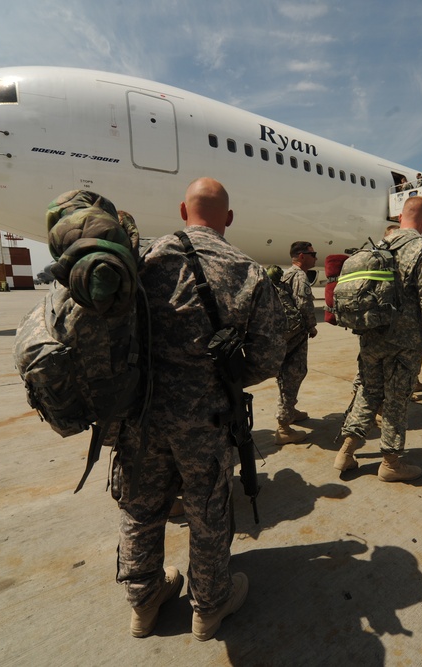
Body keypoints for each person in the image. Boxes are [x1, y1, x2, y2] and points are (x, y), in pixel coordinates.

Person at [115, 178, 285, 641]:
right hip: (206, 421)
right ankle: (209, 608)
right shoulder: (247, 270)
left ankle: (143, 602)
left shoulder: (143, 260)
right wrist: (224, 380)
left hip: (141, 418)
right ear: (228, 219)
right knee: (208, 511)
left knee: (141, 508)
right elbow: (270, 356)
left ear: (182, 210)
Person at [333, 197, 422, 481]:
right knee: (396, 400)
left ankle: (346, 452)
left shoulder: (379, 246)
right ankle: (391, 464)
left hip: (371, 336)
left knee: (369, 392)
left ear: (398, 217)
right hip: (404, 342)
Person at [275, 241, 319, 444]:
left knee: (287, 372)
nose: (315, 258)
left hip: (285, 333)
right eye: (313, 254)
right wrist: (312, 326)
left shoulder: (287, 274)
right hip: (296, 334)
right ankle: (283, 427)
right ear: (302, 256)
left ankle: (290, 411)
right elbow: (304, 304)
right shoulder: (300, 276)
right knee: (294, 373)